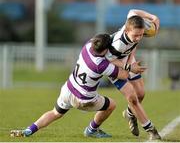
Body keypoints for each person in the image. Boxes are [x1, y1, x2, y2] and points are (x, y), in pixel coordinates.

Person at [10, 33, 132, 138]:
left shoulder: (87, 46)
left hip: (68, 89)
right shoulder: (102, 65)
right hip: (83, 99)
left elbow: (98, 42)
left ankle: (28, 130)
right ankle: (91, 130)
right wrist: (130, 59)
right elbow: (124, 75)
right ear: (105, 50)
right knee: (111, 105)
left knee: (55, 113)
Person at [105, 9, 161, 140]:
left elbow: (132, 11)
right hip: (115, 65)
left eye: (141, 35)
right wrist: (127, 67)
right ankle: (151, 130)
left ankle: (129, 114)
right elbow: (108, 59)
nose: (139, 38)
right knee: (132, 98)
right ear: (126, 31)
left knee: (141, 94)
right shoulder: (118, 44)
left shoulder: (135, 27)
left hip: (128, 60)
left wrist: (152, 16)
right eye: (136, 35)